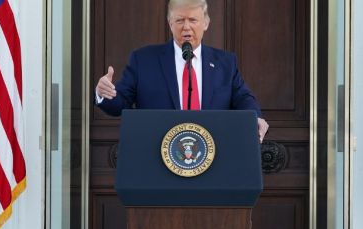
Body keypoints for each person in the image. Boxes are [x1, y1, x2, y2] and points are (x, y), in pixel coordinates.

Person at [95, 0, 269, 142]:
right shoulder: (143, 60)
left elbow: (243, 97)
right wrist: (105, 94)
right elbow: (120, 103)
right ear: (170, 24)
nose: (186, 27)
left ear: (206, 23)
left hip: (213, 155)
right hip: (158, 156)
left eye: (193, 20)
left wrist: (255, 118)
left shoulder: (225, 62)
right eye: (179, 20)